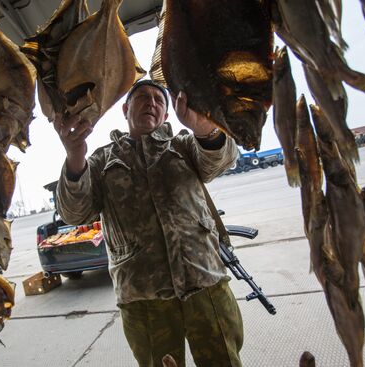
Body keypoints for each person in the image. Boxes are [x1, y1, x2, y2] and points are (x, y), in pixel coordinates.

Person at [54, 79, 244, 367]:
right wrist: (74, 156)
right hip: (143, 296)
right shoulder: (102, 160)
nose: (152, 103)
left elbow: (221, 160)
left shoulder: (183, 145)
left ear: (167, 115)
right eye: (143, 97)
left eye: (159, 99)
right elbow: (74, 213)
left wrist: (204, 127)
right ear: (126, 109)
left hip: (204, 282)